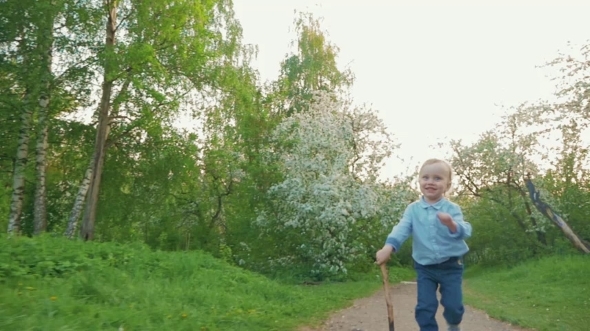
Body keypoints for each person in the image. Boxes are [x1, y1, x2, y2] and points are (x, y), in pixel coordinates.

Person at [375, 158, 472, 331]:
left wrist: (451, 224)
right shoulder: (413, 209)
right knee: (425, 307)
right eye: (425, 177)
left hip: (451, 265)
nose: (430, 182)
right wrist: (388, 247)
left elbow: (465, 230)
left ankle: (453, 324)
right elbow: (402, 229)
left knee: (453, 306)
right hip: (424, 267)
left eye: (437, 178)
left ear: (447, 185)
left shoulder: (452, 209)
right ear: (419, 181)